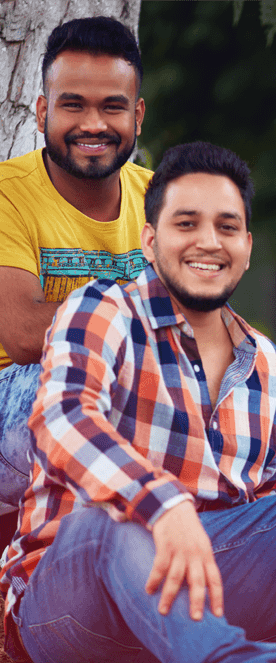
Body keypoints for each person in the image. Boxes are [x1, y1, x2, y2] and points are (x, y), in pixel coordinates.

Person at [0, 142, 276, 663]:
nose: (208, 242)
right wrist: (161, 506)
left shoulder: (270, 368)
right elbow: (61, 420)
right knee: (112, 520)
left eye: (227, 227)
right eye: (186, 224)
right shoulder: (102, 310)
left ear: (248, 246)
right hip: (69, 605)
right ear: (149, 239)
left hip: (190, 601)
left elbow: (258, 517)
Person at [0, 16, 151, 516]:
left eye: (112, 106)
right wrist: (151, 313)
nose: (93, 124)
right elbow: (23, 335)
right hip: (16, 407)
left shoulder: (163, 199)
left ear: (138, 115)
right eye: (73, 105)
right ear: (43, 110)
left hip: (133, 399)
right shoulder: (8, 194)